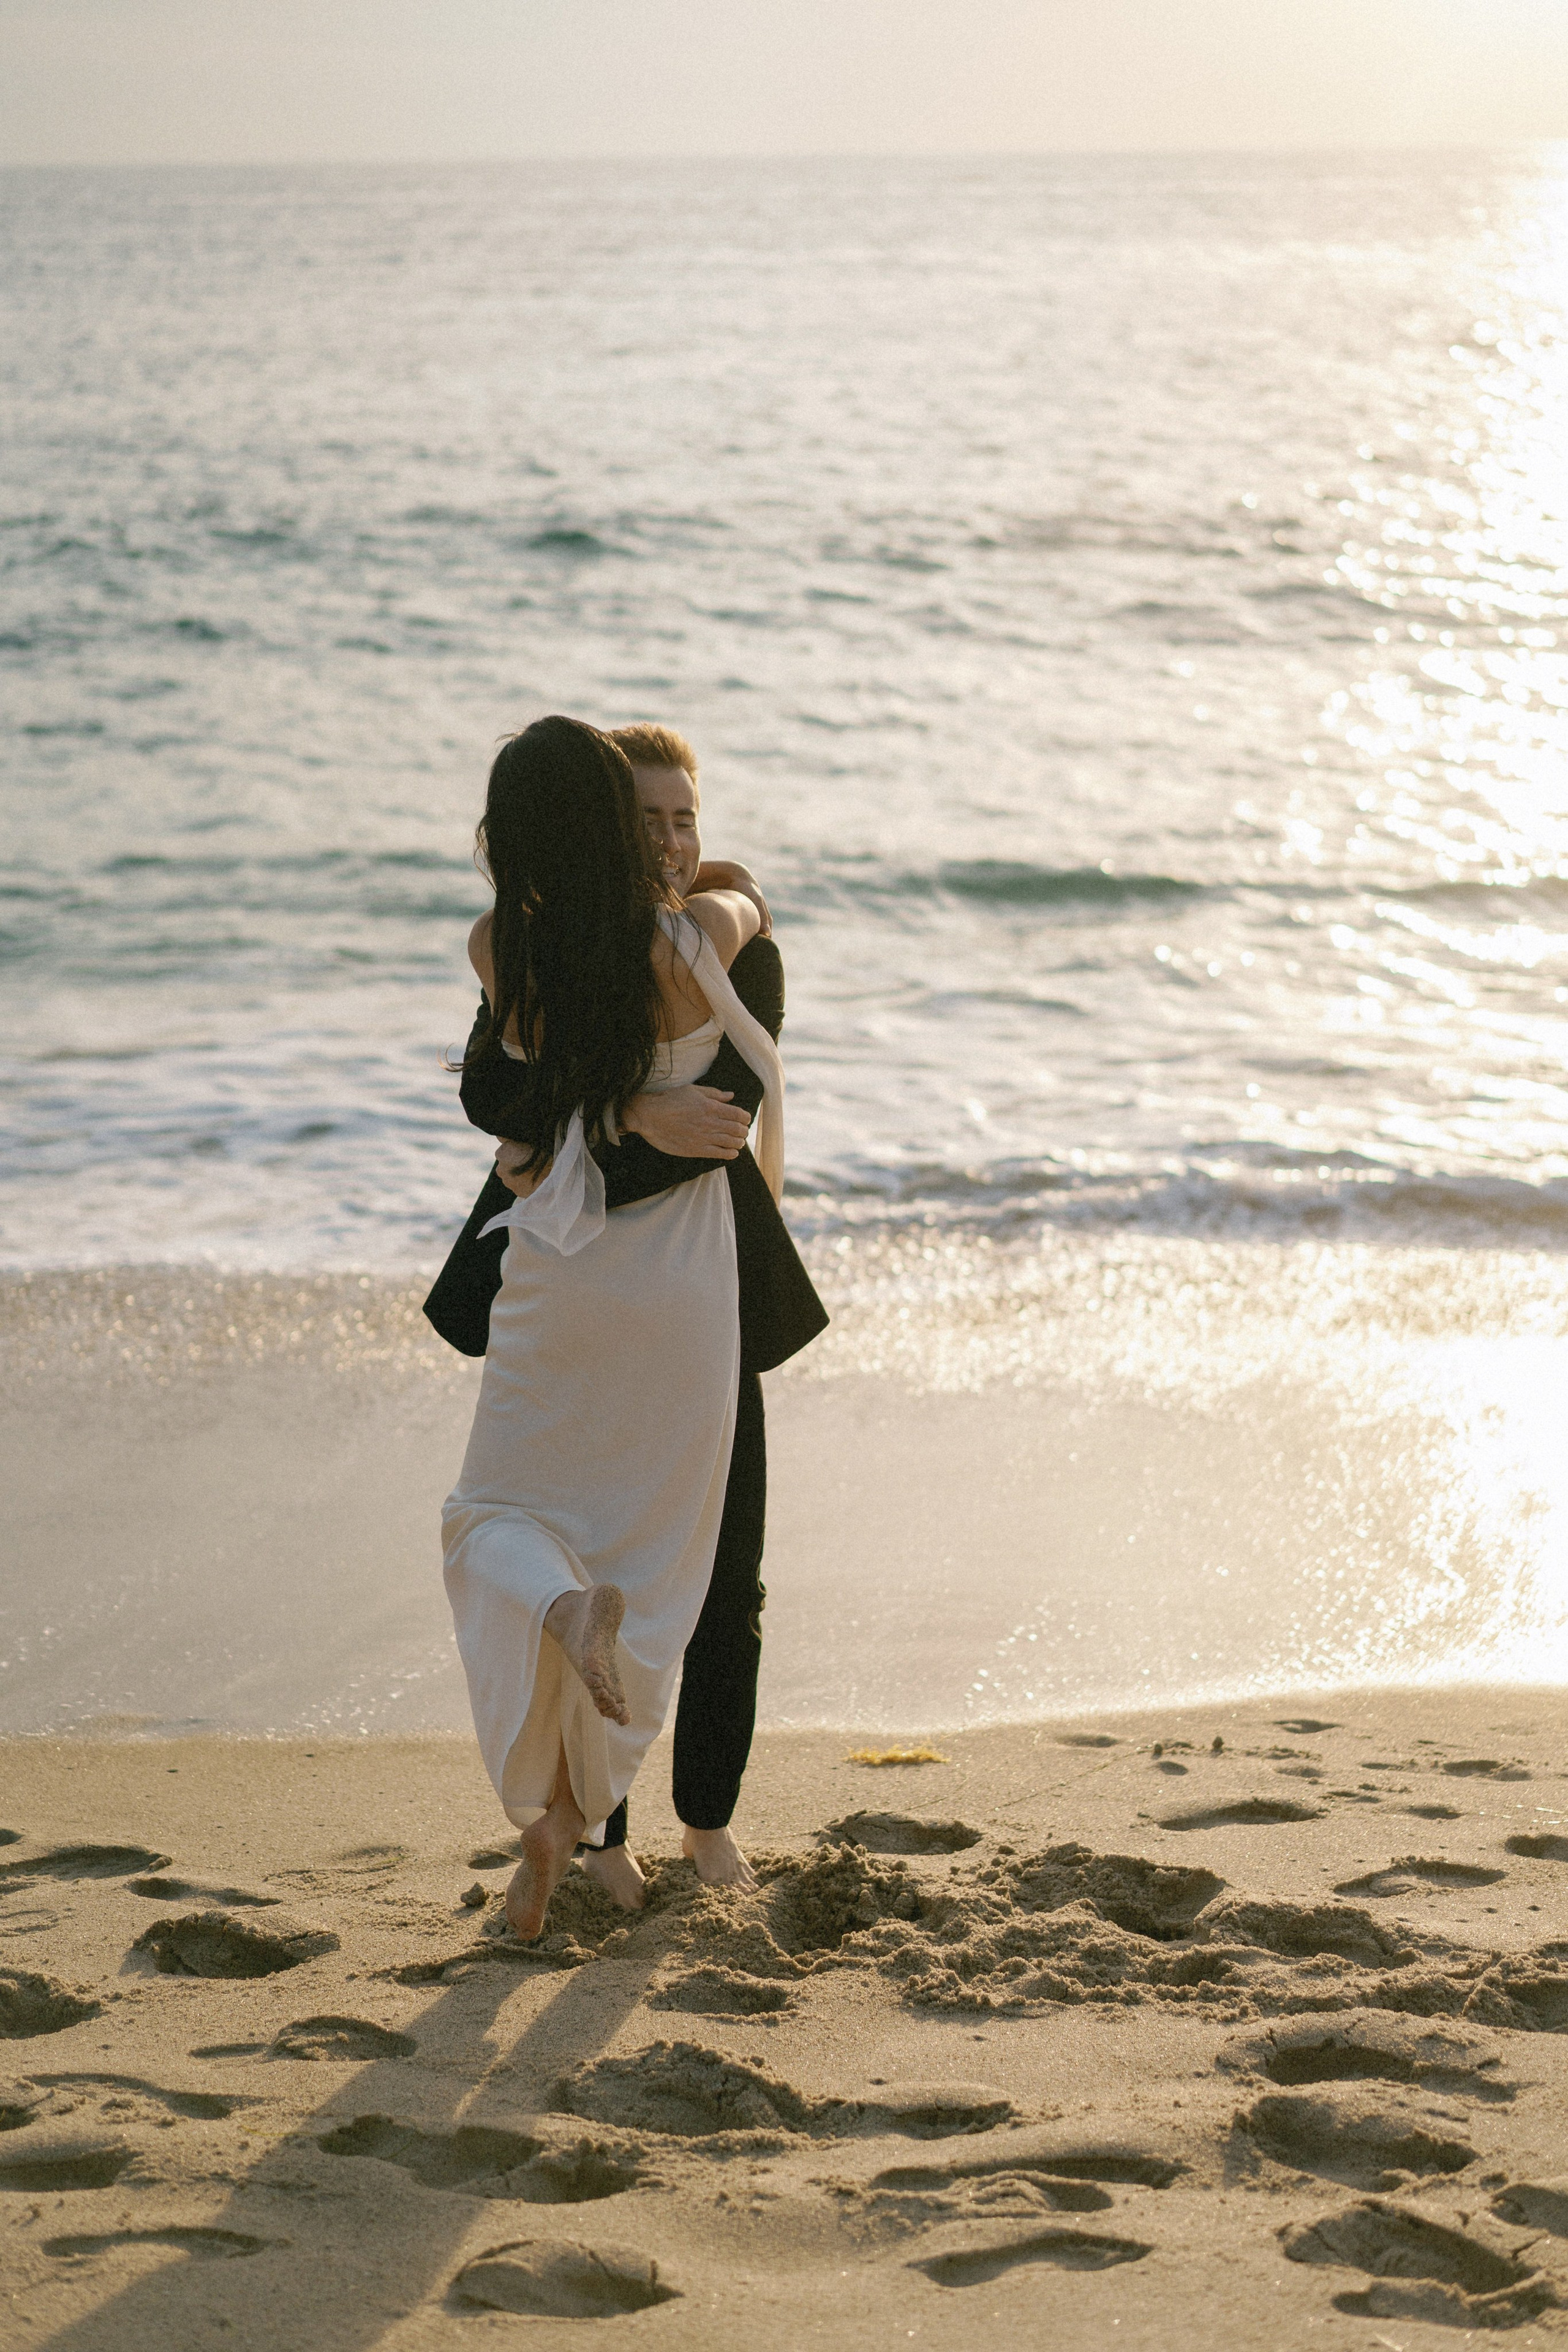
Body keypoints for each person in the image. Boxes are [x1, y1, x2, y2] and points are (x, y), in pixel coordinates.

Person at [424, 723, 827, 1906]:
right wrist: (624, 1122)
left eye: (685, 820)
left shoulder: (570, 944)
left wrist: (576, 1134)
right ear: (608, 827)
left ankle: (699, 1823)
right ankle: (607, 1842)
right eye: (643, 820)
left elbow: (711, 1120)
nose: (669, 842)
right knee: (650, 1561)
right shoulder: (673, 942)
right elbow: (497, 1089)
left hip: (647, 1269)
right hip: (667, 1284)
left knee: (715, 1567)